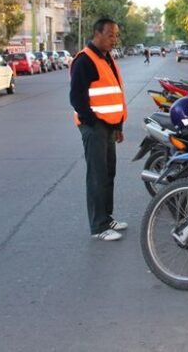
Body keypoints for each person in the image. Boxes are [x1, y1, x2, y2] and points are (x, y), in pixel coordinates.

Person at [69, 18, 128, 241]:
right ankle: (99, 226)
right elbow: (76, 98)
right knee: (97, 176)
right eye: (111, 35)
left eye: (116, 35)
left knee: (108, 172)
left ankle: (107, 217)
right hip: (94, 127)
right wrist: (92, 123)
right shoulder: (85, 60)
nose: (114, 39)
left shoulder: (107, 58)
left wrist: (118, 125)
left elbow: (114, 93)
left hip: (109, 126)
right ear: (97, 34)